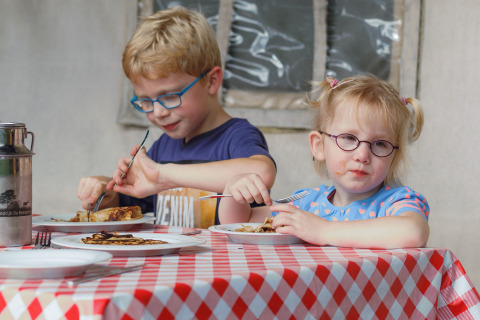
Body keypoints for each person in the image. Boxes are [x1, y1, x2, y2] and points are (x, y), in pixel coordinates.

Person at [77, 6, 276, 228]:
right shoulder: (164, 147)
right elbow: (135, 205)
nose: (158, 112)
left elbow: (262, 171)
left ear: (211, 81)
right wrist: (107, 192)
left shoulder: (237, 136)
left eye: (170, 97)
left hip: (227, 260)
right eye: (145, 101)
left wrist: (163, 175)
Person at [218, 74, 430, 249]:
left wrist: (323, 230)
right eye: (348, 138)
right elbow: (241, 223)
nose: (362, 155)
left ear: (394, 156)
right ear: (319, 146)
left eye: (380, 144)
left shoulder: (397, 201)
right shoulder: (308, 203)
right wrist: (233, 191)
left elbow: (413, 232)